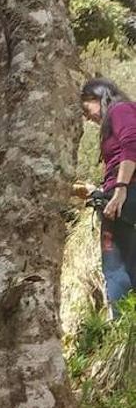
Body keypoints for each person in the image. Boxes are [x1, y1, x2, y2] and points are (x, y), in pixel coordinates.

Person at [79, 77, 136, 310]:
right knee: (128, 262)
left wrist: (120, 189)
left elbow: (132, 143)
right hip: (121, 193)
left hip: (126, 194)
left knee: (115, 266)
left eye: (86, 108)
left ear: (98, 96)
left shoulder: (119, 109)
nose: (87, 116)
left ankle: (122, 323)